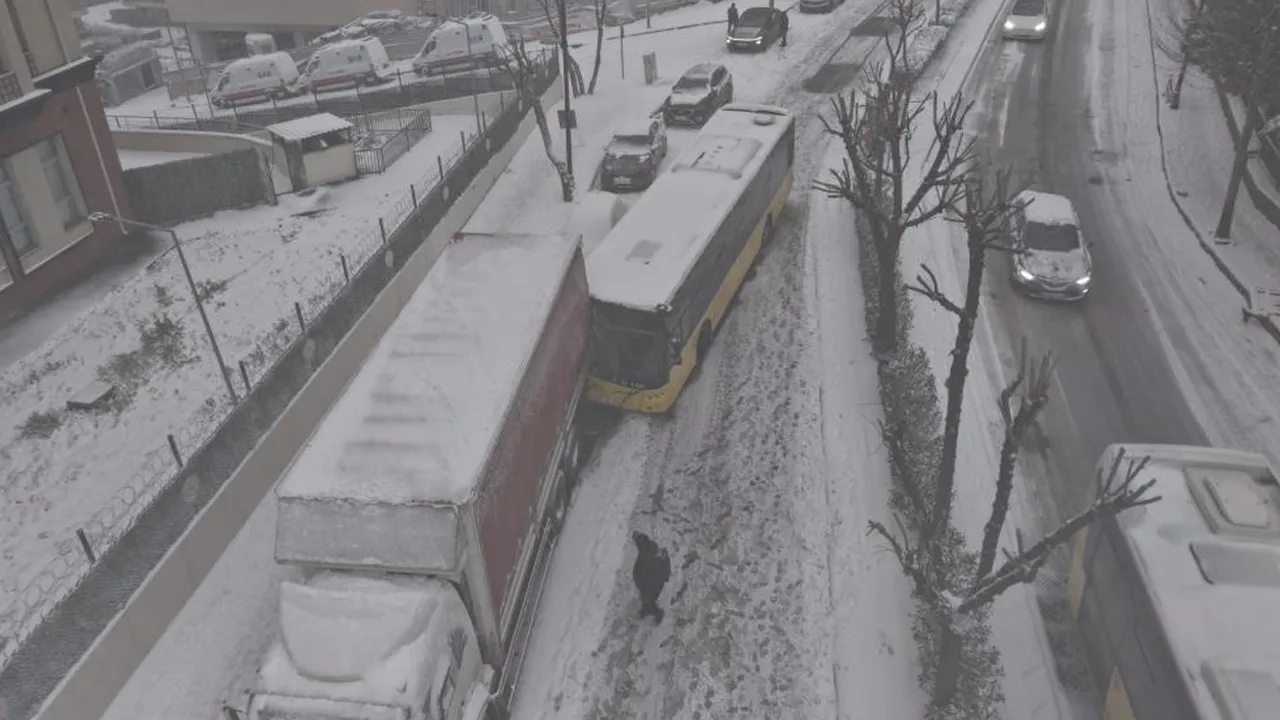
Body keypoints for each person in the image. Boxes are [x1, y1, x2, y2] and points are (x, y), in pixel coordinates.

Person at [632, 531, 671, 624]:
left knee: (649, 599)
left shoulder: (649, 552)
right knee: (645, 598)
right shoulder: (650, 550)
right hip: (650, 580)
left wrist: (665, 575)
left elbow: (639, 569)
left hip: (655, 580)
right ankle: (646, 609)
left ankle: (658, 613)